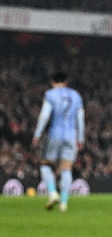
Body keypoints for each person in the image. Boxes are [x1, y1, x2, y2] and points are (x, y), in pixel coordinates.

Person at [32, 72, 85, 212]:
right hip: (71, 136)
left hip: (55, 134)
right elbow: (80, 118)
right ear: (66, 82)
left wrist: (37, 134)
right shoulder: (76, 95)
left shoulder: (51, 94)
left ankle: (52, 192)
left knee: (45, 165)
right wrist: (81, 138)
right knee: (66, 168)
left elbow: (44, 116)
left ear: (52, 82)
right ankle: (63, 203)